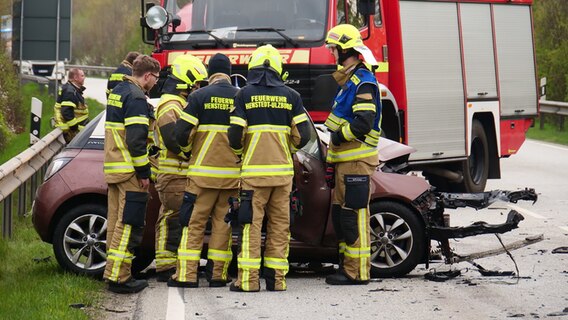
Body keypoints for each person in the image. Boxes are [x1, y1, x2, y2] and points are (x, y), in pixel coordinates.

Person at [227, 45, 310, 292]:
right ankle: (277, 281)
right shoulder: (292, 96)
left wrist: (242, 152)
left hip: (253, 176)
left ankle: (249, 282)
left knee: (251, 227)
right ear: (278, 68)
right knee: (280, 227)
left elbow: (234, 135)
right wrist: (288, 148)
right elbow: (303, 135)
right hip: (283, 175)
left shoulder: (243, 95)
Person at [168, 53, 240, 288]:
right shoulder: (240, 97)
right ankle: (217, 275)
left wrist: (189, 150)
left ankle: (187, 275)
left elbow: (180, 133)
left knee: (193, 224)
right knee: (223, 225)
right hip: (231, 178)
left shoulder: (199, 96)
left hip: (201, 176)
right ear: (229, 72)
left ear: (210, 73)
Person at [322, 24, 382, 285]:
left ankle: (357, 272)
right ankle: (347, 267)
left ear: (345, 49)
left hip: (357, 161)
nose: (332, 53)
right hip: (345, 161)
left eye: (334, 49)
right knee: (343, 215)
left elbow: (363, 124)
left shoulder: (363, 83)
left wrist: (336, 136)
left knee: (354, 216)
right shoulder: (350, 82)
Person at [103, 55, 161, 294]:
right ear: (147, 75)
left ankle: (112, 271)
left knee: (116, 222)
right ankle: (120, 278)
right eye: (156, 79)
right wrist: (144, 172)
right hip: (130, 171)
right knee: (129, 223)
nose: (156, 83)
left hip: (114, 167)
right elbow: (137, 142)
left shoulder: (118, 91)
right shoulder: (136, 98)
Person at [153, 54, 207, 282]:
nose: (198, 88)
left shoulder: (177, 103)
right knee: (174, 220)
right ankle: (166, 267)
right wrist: (191, 152)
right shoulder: (170, 105)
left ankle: (171, 264)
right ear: (187, 80)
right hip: (174, 174)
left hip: (177, 174)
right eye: (197, 84)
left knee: (172, 218)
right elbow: (172, 139)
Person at [54, 68, 88, 143]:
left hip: (76, 131)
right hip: (72, 133)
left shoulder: (73, 89)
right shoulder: (70, 91)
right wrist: (75, 128)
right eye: (82, 75)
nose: (84, 77)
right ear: (75, 78)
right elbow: (66, 112)